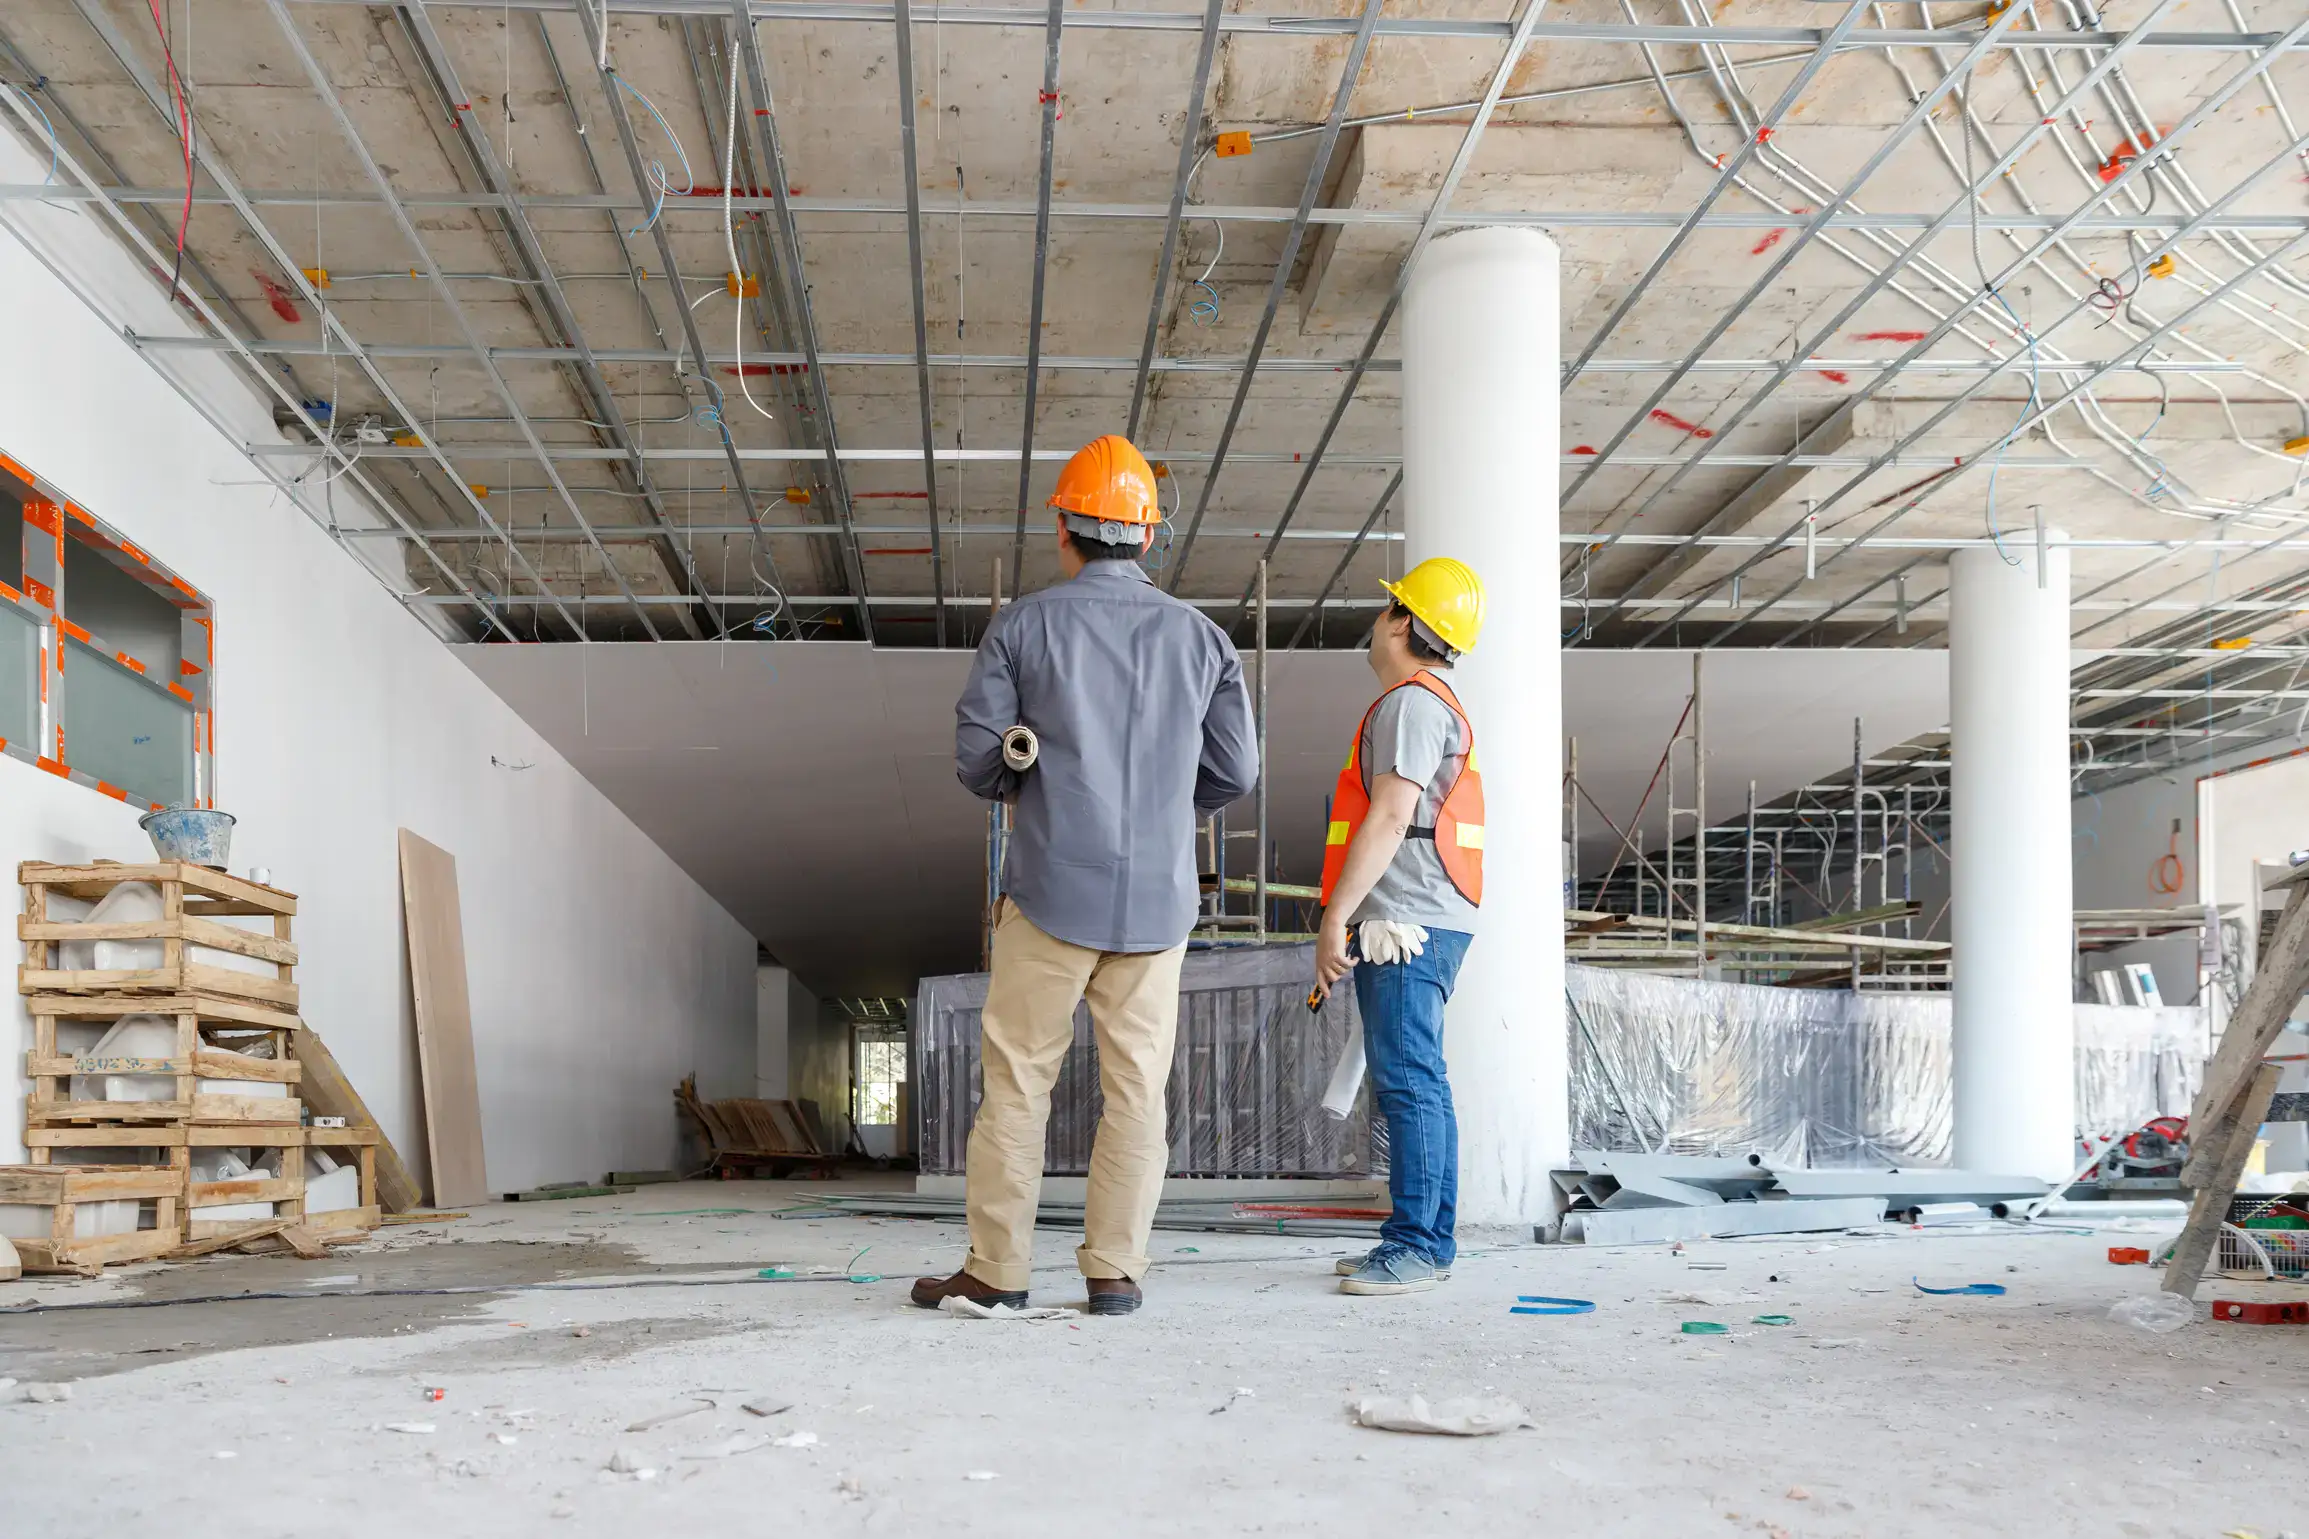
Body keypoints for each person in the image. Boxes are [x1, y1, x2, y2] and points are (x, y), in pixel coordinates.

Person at [914, 434, 1259, 1317]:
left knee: (1018, 1086)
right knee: (1137, 1092)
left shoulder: (1022, 625)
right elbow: (1234, 773)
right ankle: (1114, 1271)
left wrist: (1022, 778)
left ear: (1064, 530)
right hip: (1157, 904)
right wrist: (1162, 815)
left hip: (1046, 893)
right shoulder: (1205, 639)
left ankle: (996, 1272)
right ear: (1148, 538)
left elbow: (975, 760)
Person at [1312, 557, 1487, 1296]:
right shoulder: (1427, 701)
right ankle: (1429, 1240)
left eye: (1389, 608)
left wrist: (1337, 917)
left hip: (1405, 916)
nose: (1377, 618)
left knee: (1409, 1081)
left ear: (1405, 624)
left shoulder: (1409, 704)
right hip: (1427, 912)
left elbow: (1388, 816)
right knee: (1422, 1080)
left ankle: (1413, 1243)